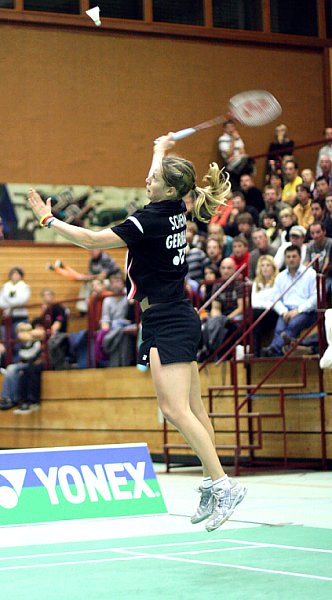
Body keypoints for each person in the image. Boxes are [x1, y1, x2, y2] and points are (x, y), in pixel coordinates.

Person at [28, 132, 247, 532]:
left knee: (174, 410)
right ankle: (210, 482)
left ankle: (223, 485)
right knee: (194, 410)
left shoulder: (147, 220)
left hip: (167, 318)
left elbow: (91, 239)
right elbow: (158, 176)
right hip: (175, 314)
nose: (146, 181)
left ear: (167, 187)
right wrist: (159, 150)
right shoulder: (175, 205)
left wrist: (47, 219)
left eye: (153, 178)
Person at [261, 245, 317, 357]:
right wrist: (284, 311)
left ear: (300, 257)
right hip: (286, 310)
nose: (291, 259)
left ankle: (274, 349)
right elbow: (275, 299)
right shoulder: (280, 277)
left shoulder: (310, 274)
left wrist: (298, 310)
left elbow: (315, 298)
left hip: (306, 311)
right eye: (288, 257)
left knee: (293, 324)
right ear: (285, 258)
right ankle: (279, 348)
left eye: (294, 256)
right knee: (279, 328)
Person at [251, 255, 279, 356]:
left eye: (268, 265)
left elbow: (275, 301)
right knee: (256, 326)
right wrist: (264, 303)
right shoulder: (256, 282)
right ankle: (256, 353)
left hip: (272, 313)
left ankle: (255, 353)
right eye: (262, 265)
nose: (265, 268)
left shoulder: (278, 280)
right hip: (258, 314)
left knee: (251, 317)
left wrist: (263, 303)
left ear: (273, 268)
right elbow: (253, 302)